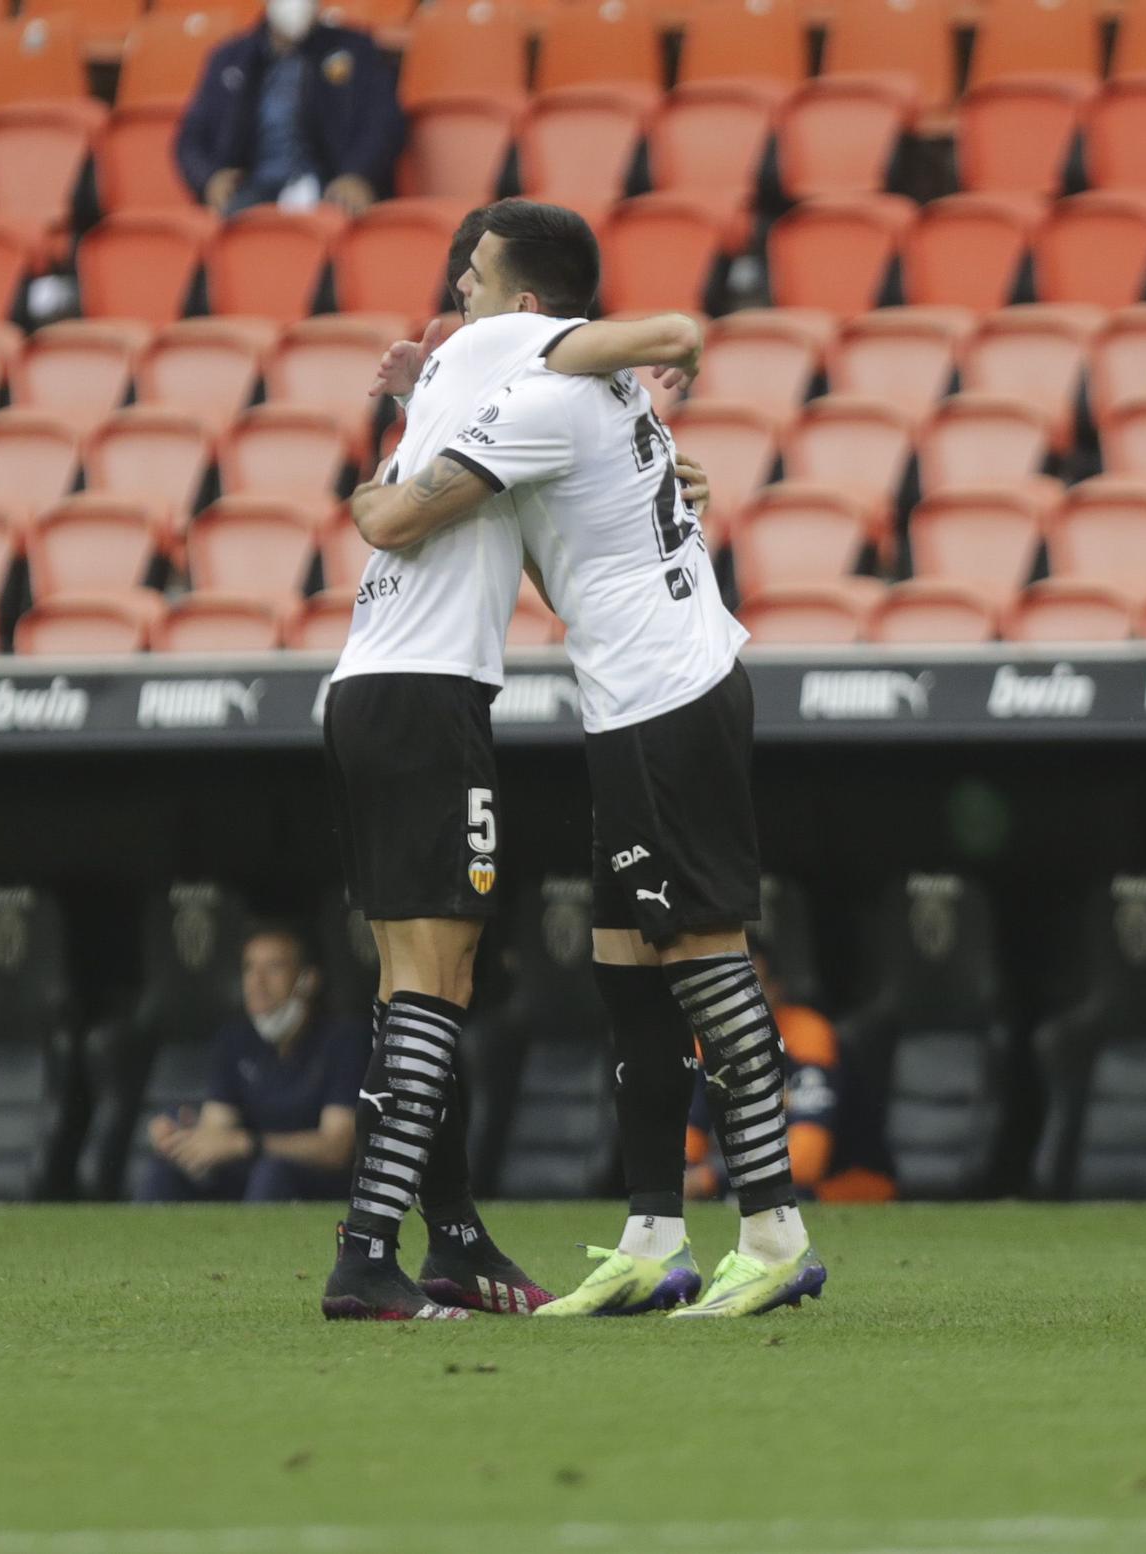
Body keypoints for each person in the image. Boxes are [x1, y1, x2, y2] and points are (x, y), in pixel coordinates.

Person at [349, 200, 826, 1319]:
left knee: (705, 954)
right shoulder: (582, 397)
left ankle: (771, 1231)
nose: (453, 296)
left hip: (670, 698)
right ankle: (653, 1236)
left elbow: (405, 520)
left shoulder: (548, 398)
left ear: (523, 308)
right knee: (626, 964)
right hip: (637, 701)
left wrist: (373, 486)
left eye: (471, 280)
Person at [138, 923, 368, 1203]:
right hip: (250, 1175)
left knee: (271, 1173)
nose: (256, 982)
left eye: (273, 968)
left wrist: (249, 1144)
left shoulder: (344, 1039)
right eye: (249, 968)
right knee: (161, 1174)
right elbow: (218, 1128)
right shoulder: (235, 1039)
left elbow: (336, 1148)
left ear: (307, 980)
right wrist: (184, 1136)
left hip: (316, 1185)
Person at [175, 0, 403, 218]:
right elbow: (190, 138)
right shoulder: (230, 59)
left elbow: (383, 123)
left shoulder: (356, 49)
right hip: (253, 190)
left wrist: (359, 174)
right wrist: (210, 179)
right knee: (237, 229)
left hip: (330, 187)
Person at [684, 938, 838, 1202]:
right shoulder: (708, 1040)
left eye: (750, 988)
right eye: (727, 990)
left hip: (840, 1187)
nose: (737, 1002)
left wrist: (710, 1179)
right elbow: (686, 1147)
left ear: (776, 989)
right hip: (743, 1186)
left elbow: (807, 1164)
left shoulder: (808, 1033)